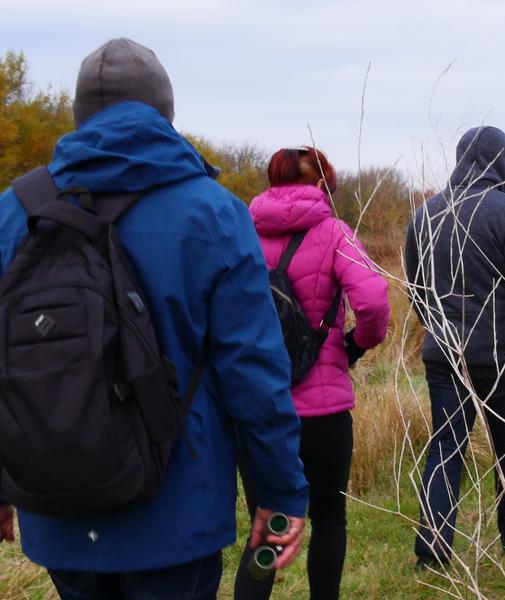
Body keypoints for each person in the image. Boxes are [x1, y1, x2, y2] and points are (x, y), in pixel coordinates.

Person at [0, 38, 308, 599]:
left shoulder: (13, 213)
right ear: (166, 116)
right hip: (175, 515)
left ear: (77, 118)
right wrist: (281, 491)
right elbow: (255, 371)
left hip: (55, 503)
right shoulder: (214, 213)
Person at [404, 126, 505, 567]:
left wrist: (438, 328)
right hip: (500, 355)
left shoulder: (425, 215)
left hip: (444, 354)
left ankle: (432, 552)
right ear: (504, 162)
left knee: (445, 449)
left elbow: (415, 289)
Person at [238, 147, 390, 600]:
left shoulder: (242, 233)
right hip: (323, 410)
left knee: (266, 524)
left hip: (260, 408)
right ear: (323, 184)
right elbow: (374, 302)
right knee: (328, 518)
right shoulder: (335, 233)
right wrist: (354, 344)